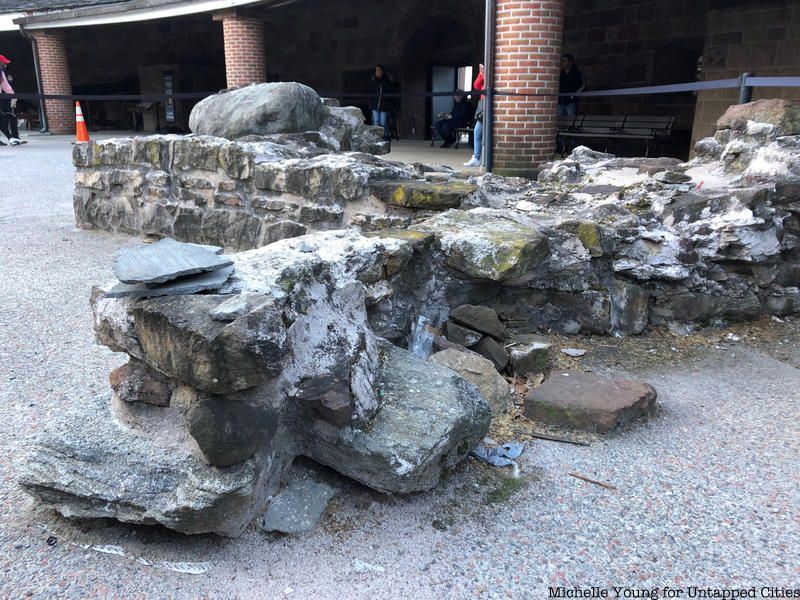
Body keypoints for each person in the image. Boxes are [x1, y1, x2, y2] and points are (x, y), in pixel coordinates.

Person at [464, 64, 485, 167]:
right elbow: (476, 86)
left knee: (481, 133)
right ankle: (476, 158)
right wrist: (481, 74)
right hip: (482, 105)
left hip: (488, 104)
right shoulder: (484, 75)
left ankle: (479, 158)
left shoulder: (490, 75)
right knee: (477, 132)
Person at [0, 55, 22, 146]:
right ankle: (12, 138)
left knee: (3, 119)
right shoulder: (1, 72)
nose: (5, 64)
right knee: (2, 119)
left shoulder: (1, 72)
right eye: (4, 62)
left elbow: (6, 86)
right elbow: (6, 86)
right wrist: (13, 96)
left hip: (2, 97)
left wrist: (13, 96)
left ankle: (12, 138)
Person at [369, 64, 393, 141]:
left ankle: (386, 134)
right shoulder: (373, 81)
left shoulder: (386, 81)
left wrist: (388, 104)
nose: (377, 72)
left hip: (384, 106)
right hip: (375, 105)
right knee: (376, 121)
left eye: (379, 70)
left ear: (382, 71)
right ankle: (377, 137)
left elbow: (390, 92)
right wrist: (371, 103)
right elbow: (371, 92)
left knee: (383, 122)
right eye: (376, 70)